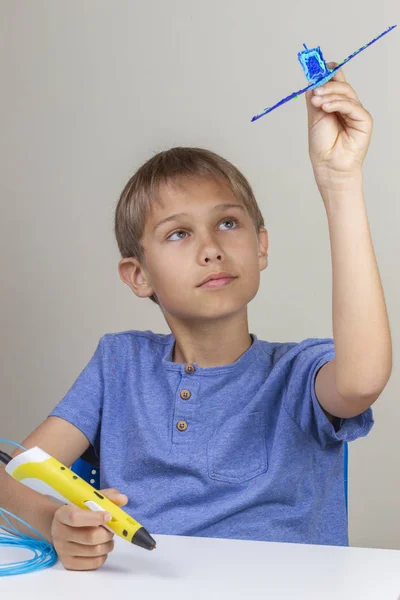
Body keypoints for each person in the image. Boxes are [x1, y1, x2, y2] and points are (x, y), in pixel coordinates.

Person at [0, 62, 392, 571]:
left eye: (228, 223)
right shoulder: (119, 364)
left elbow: (362, 380)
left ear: (261, 245)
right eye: (178, 234)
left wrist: (340, 183)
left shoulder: (298, 374)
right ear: (138, 275)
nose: (210, 248)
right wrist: (55, 522)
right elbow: (13, 477)